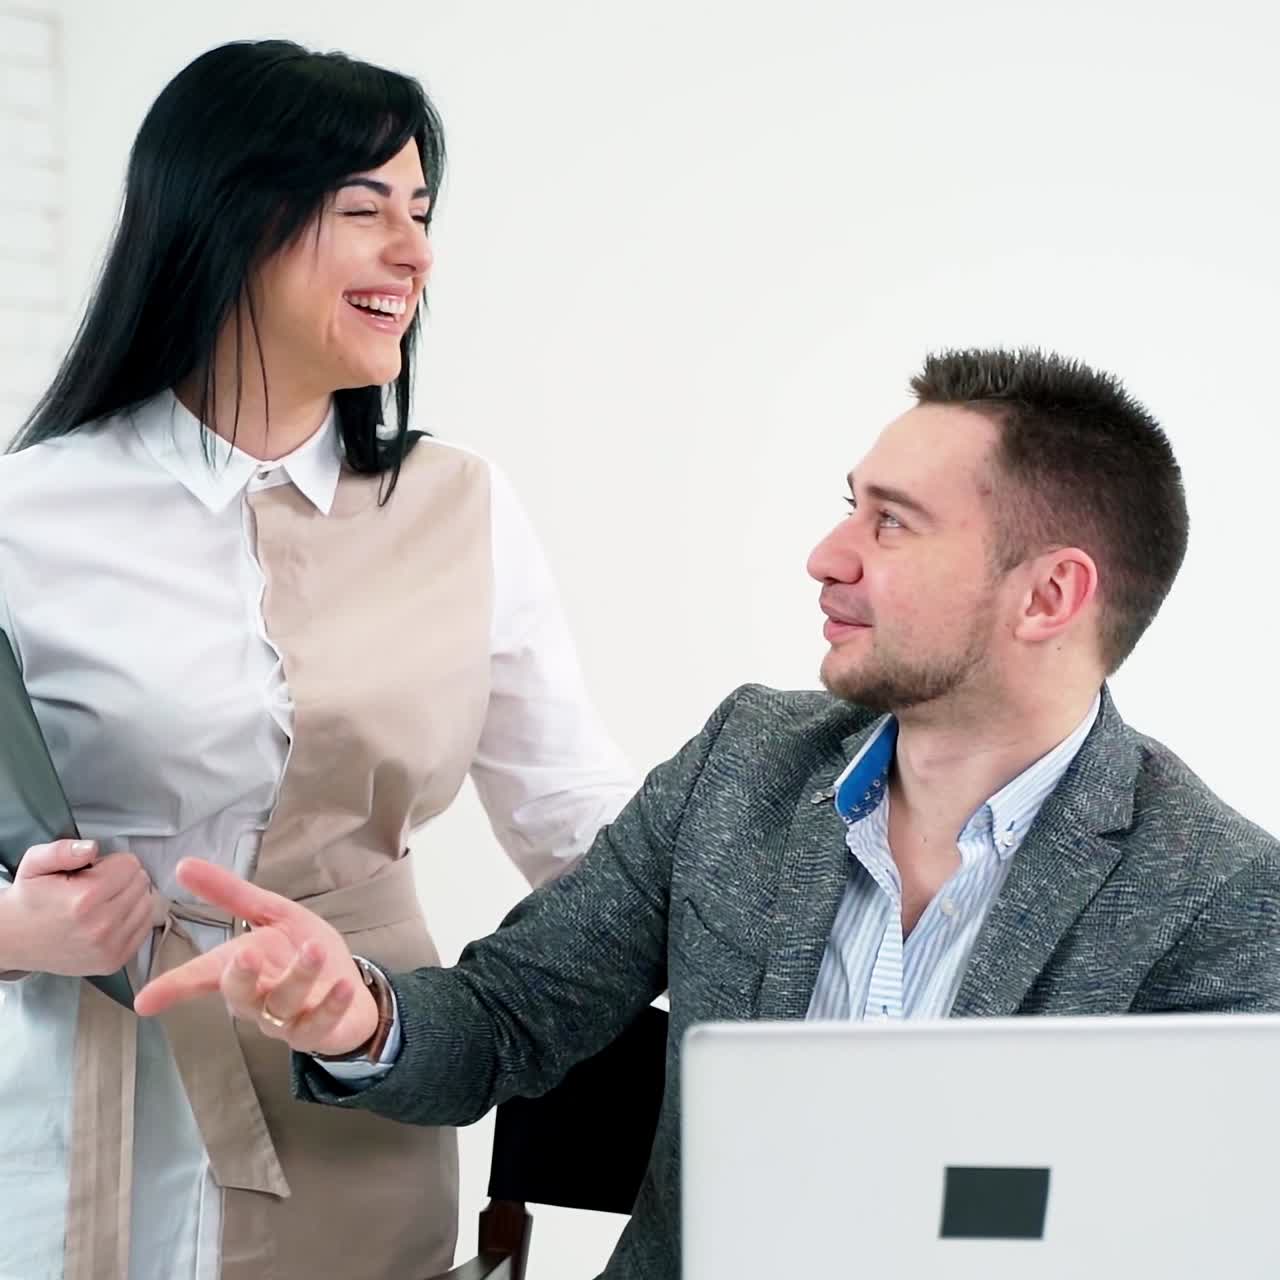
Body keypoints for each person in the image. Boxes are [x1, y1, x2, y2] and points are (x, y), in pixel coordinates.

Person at [136, 348, 1280, 1280]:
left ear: (1048, 594)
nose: (825, 557)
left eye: (890, 523)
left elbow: (1191, 1238)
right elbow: (506, 1016)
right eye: (850, 507)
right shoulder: (745, 764)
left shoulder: (1215, 893)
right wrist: (357, 1015)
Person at [0, 38, 635, 1280]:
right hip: (67, 1107)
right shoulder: (27, 519)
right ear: (227, 223)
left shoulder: (462, 506)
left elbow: (578, 825)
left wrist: (814, 942)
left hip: (355, 1087)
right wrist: (20, 925)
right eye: (365, 212)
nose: (415, 252)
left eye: (422, 213)